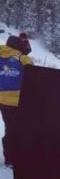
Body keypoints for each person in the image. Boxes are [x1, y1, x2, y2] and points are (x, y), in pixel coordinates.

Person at [0, 35, 33, 167]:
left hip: (2, 100)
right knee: (19, 129)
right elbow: (34, 74)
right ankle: (14, 158)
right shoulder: (22, 58)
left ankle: (9, 157)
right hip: (18, 101)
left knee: (10, 128)